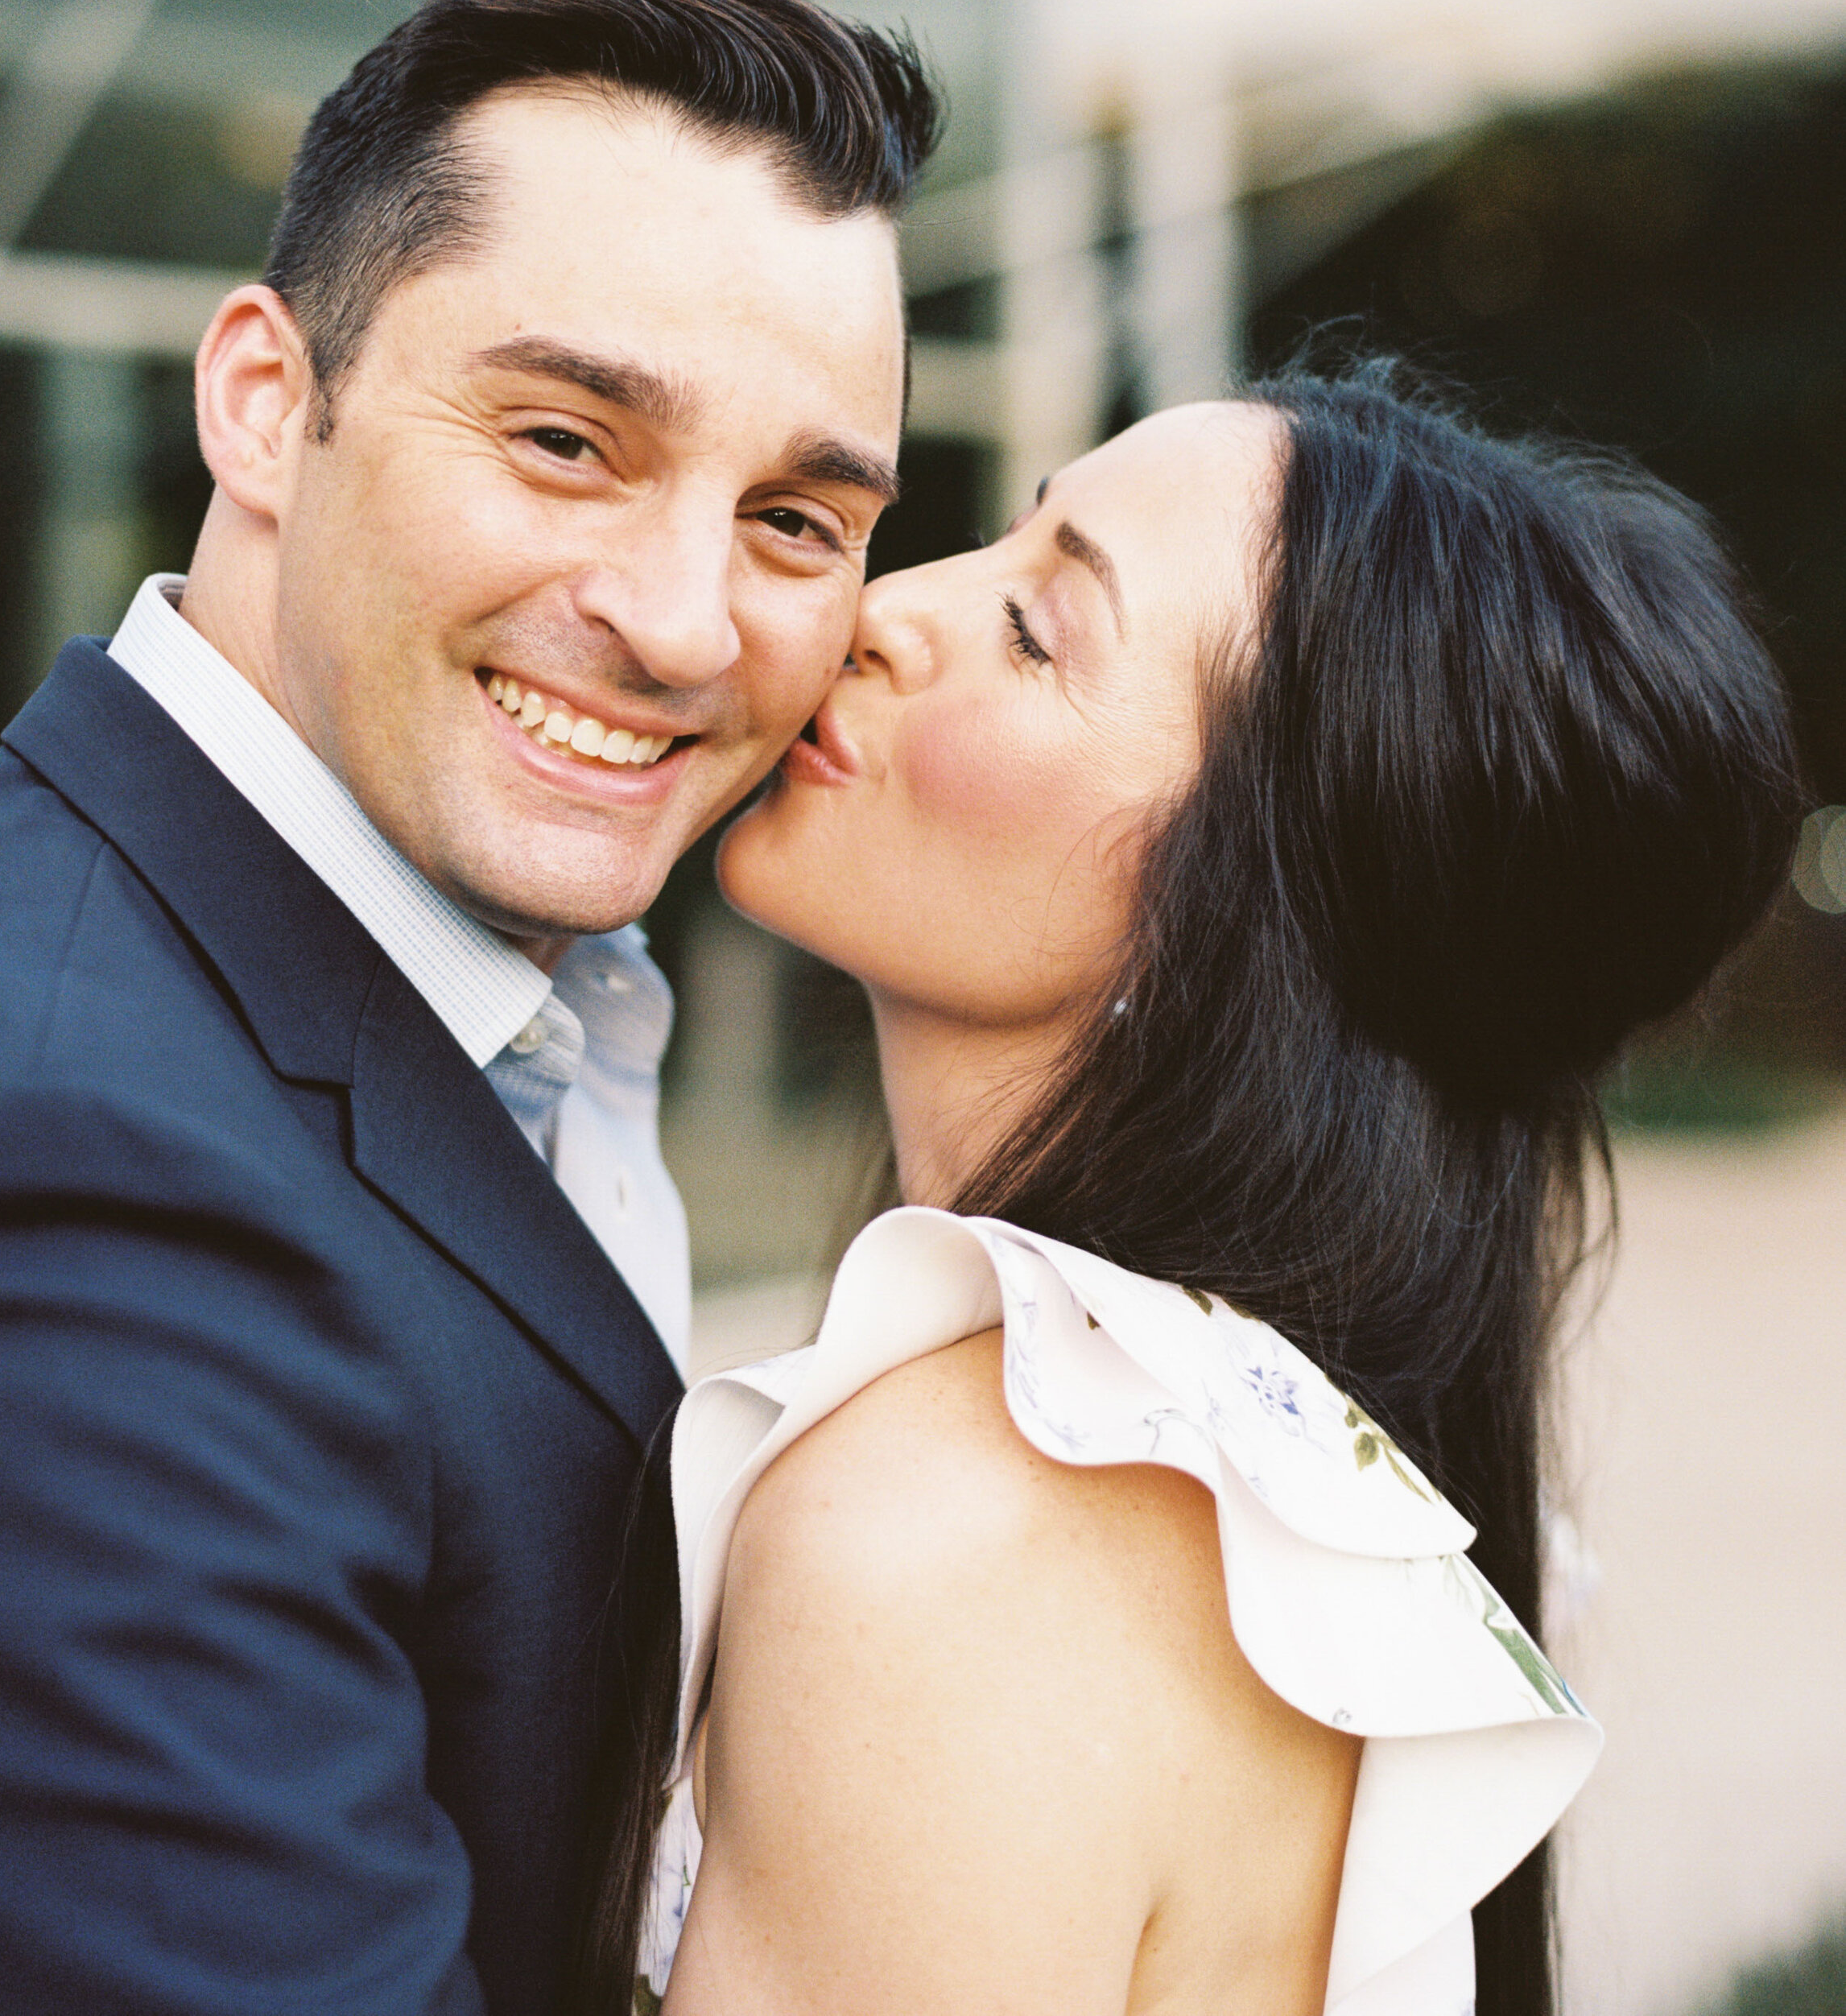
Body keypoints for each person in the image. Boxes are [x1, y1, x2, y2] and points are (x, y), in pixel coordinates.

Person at [0, 0, 932, 2015]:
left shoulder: (489, 992)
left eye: (796, 516)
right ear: (266, 398)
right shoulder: (60, 1171)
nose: (687, 623)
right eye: (562, 437)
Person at [602, 371, 1802, 2016]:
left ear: (1250, 917)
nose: (882, 608)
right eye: (1002, 532)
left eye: (1036, 625)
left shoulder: (946, 1549)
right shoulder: (1314, 1500)